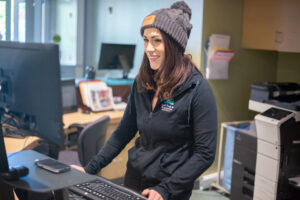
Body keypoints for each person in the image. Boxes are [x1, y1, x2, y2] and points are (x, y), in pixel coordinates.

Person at [72, 1, 217, 200]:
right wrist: (89, 169)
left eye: (156, 40)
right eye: (145, 40)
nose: (149, 48)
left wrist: (165, 189)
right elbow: (123, 132)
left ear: (174, 44)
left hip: (170, 189)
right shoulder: (143, 82)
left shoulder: (198, 90)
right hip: (134, 180)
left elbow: (205, 153)